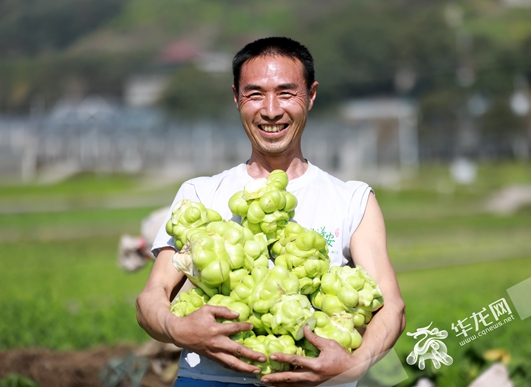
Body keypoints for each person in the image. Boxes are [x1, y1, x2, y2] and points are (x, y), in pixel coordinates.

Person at [136, 36, 406, 387]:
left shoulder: (352, 199)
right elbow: (150, 299)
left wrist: (355, 366)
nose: (271, 110)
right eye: (255, 94)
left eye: (286, 92)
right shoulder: (200, 194)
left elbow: (392, 308)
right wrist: (177, 328)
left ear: (310, 95)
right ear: (236, 98)